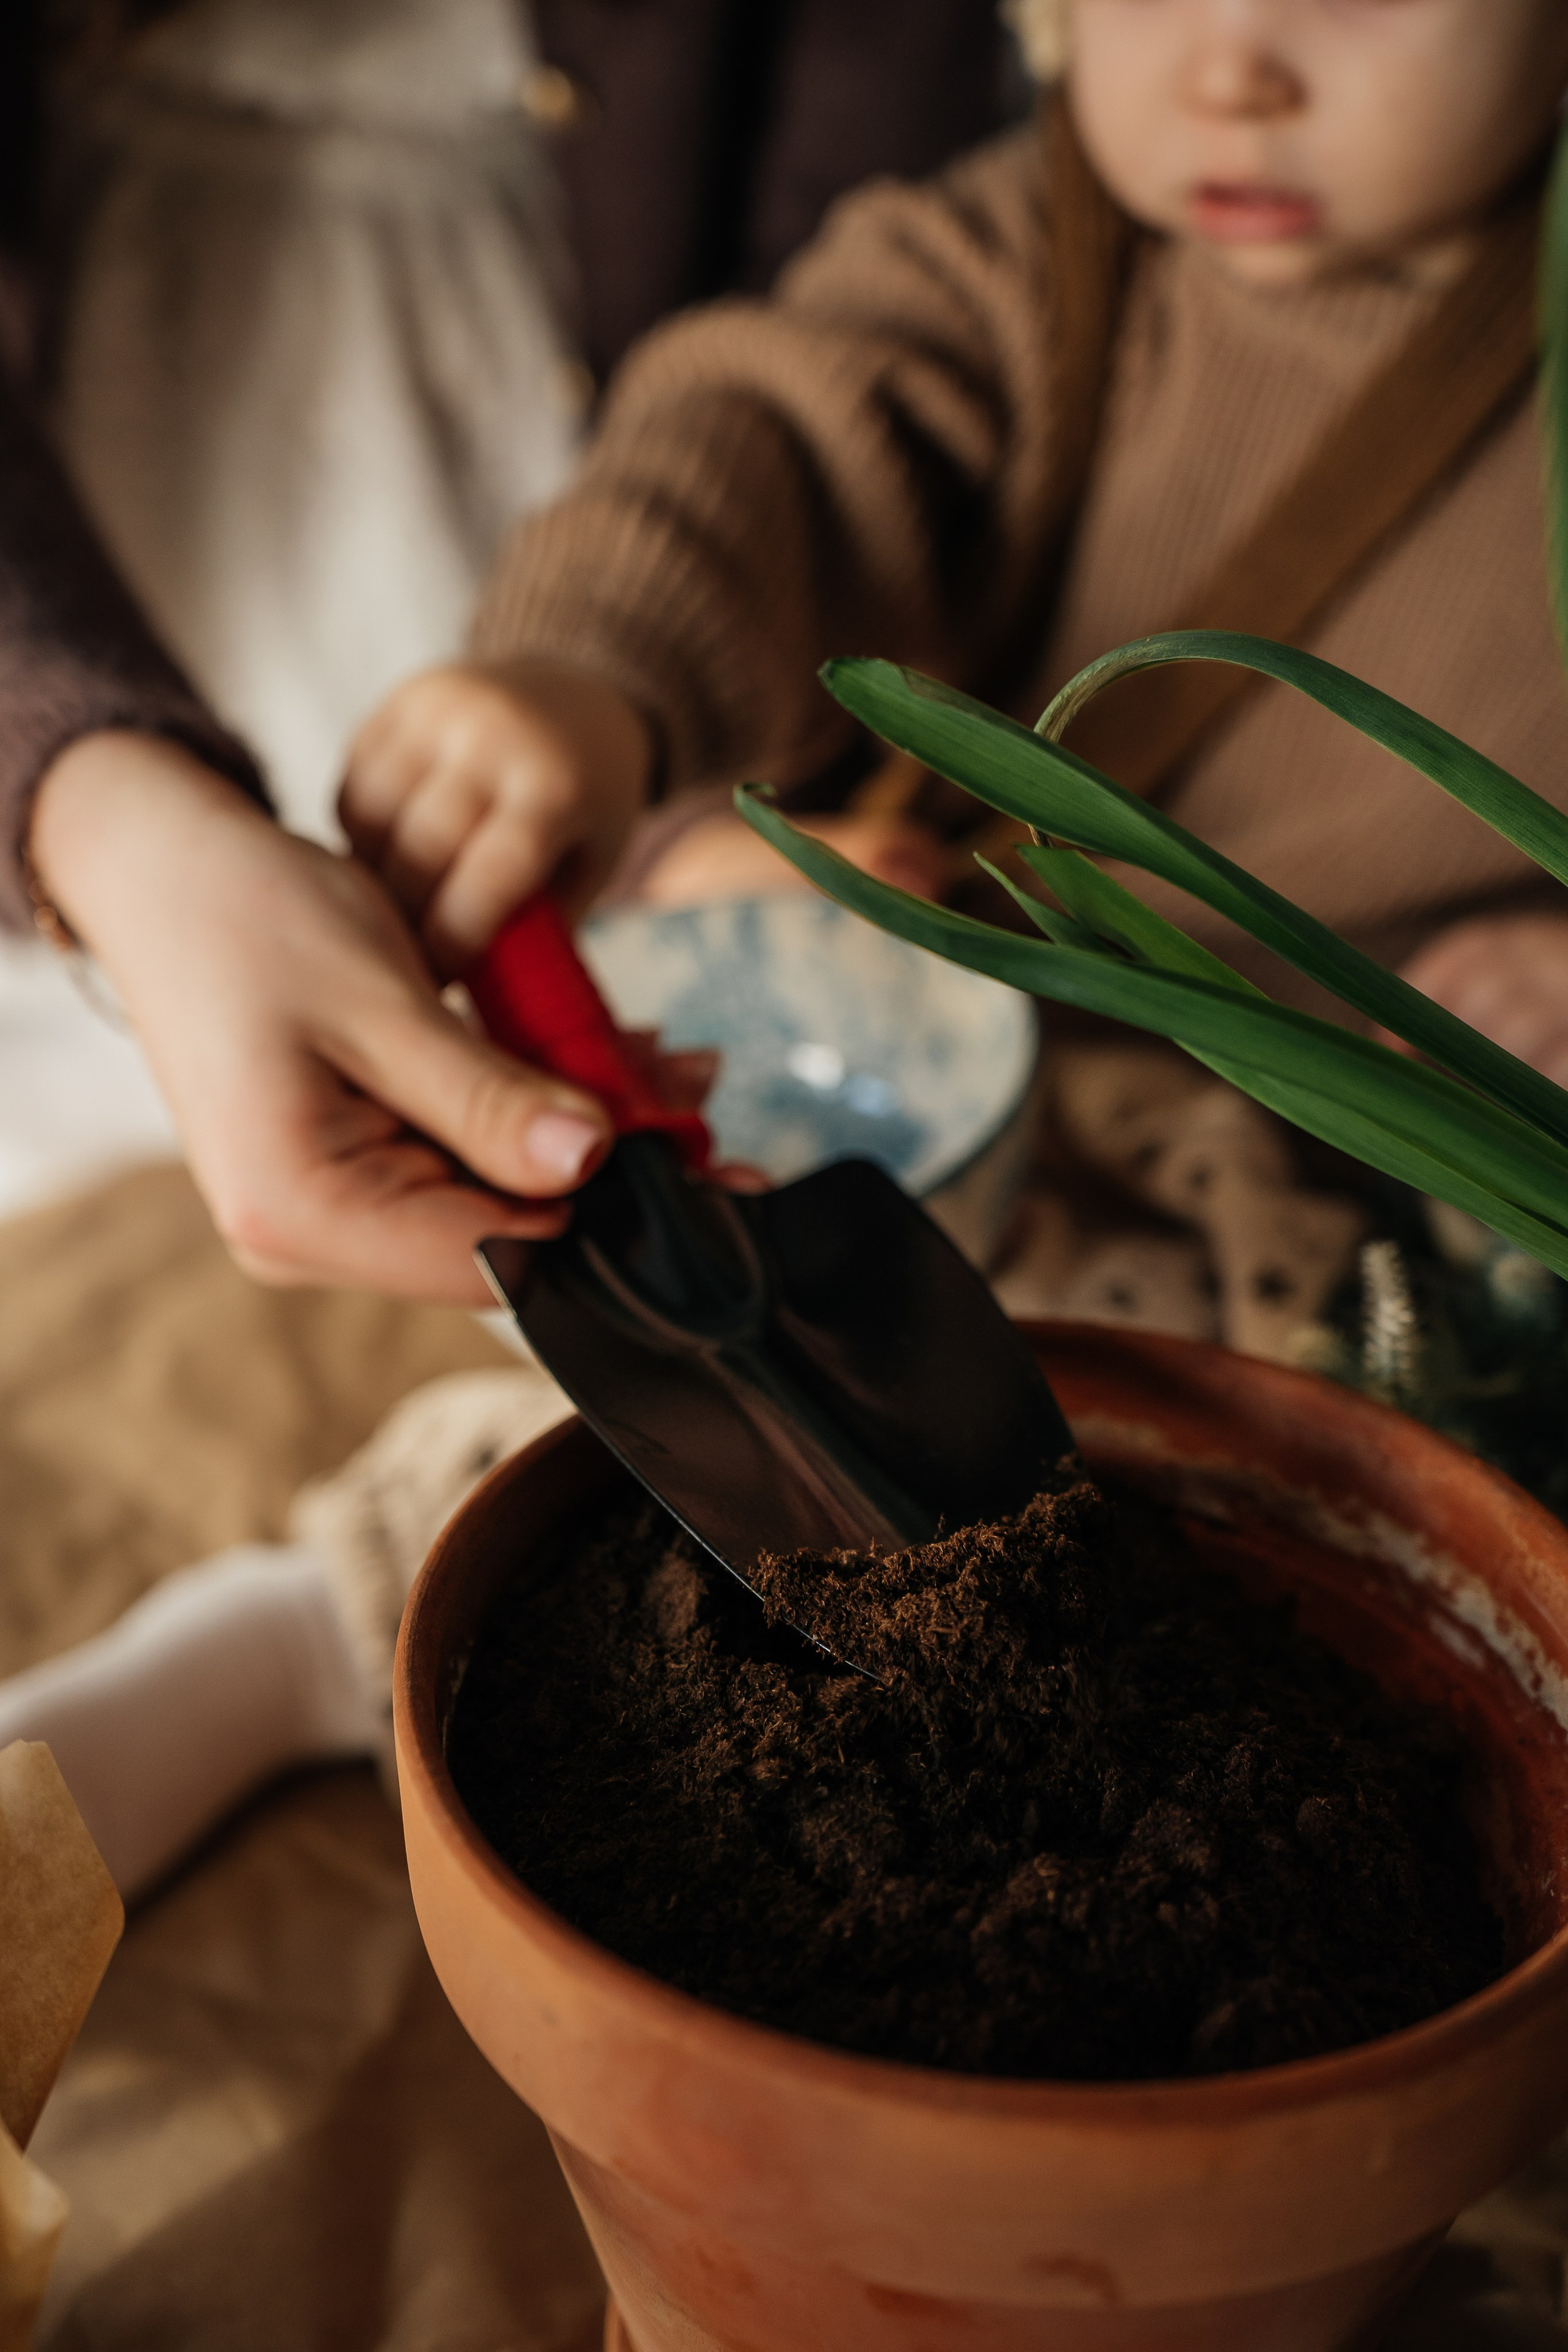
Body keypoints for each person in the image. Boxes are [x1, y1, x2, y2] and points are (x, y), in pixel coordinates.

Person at [336, 0, 1568, 1109]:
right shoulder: (1019, 253)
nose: (1231, 74)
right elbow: (775, 440)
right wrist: (588, 674)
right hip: (924, 1053)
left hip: (1356, 1134)